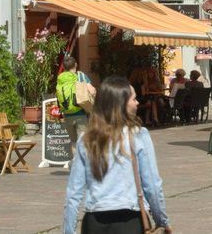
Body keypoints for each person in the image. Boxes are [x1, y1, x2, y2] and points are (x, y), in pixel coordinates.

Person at [63, 76, 170, 234]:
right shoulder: (138, 135)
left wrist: (68, 230)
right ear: (120, 104)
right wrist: (161, 220)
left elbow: (73, 192)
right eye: (133, 99)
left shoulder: (86, 139)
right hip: (129, 220)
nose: (137, 103)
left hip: (94, 221)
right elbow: (152, 185)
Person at [56, 56, 91, 160]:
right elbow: (92, 90)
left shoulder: (61, 78)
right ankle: (84, 166)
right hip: (80, 113)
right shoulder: (80, 76)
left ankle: (75, 166)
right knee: (83, 141)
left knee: (74, 142)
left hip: (67, 114)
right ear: (75, 65)